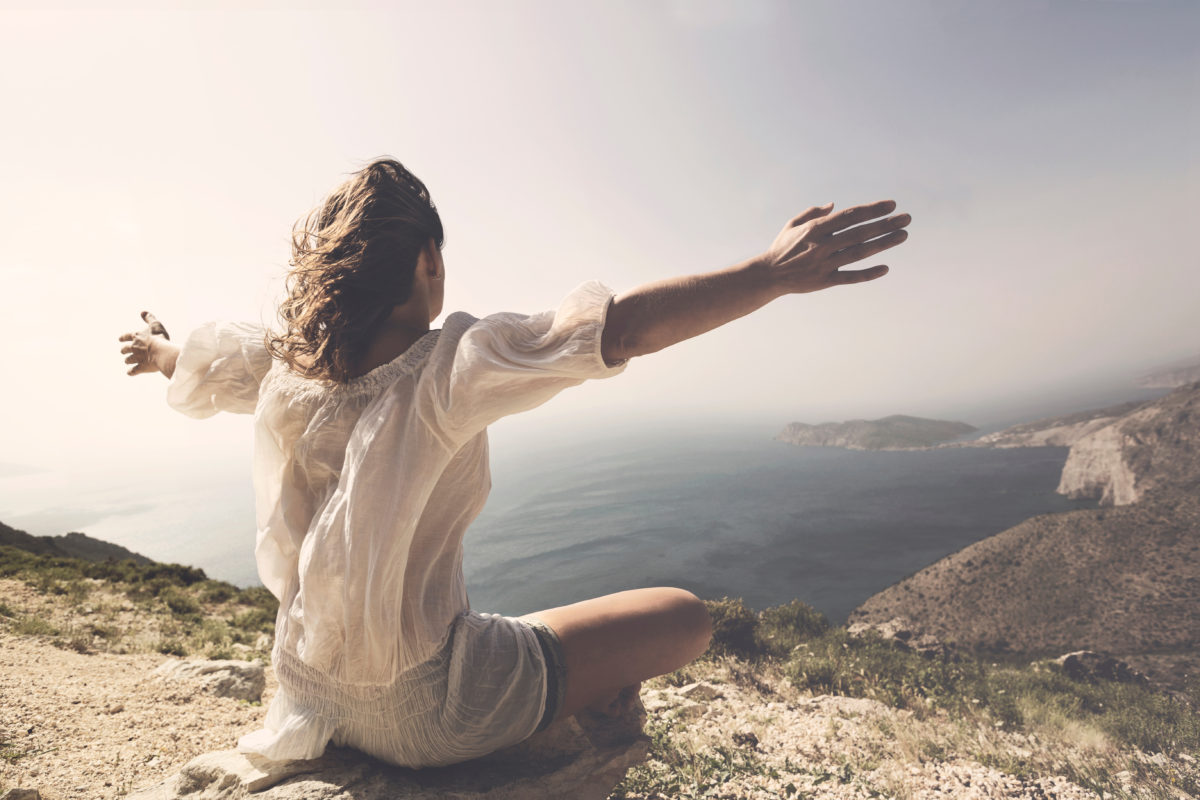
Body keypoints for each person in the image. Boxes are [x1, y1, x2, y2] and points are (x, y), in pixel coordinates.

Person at [118, 158, 910, 769]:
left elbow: (214, 362)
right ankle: (564, 697)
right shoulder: (447, 369)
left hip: (304, 698)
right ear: (427, 262)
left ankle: (543, 669)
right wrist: (769, 274)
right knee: (684, 615)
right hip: (429, 713)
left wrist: (159, 351)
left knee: (527, 633)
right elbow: (616, 330)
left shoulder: (292, 369)